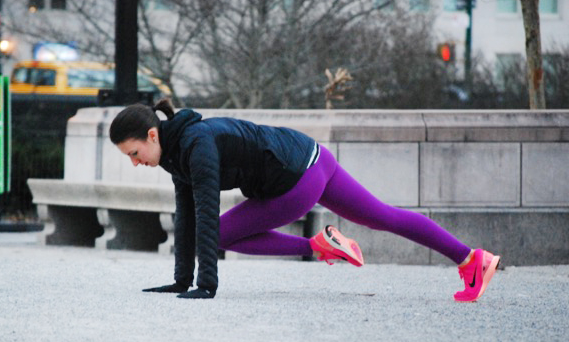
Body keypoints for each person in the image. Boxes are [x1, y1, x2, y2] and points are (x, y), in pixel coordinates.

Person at [109, 99, 500, 301]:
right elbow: (186, 215)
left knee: (222, 233)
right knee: (383, 215)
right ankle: (471, 258)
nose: (134, 161)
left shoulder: (197, 146)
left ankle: (318, 246)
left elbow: (206, 216)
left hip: (294, 181)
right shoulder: (176, 152)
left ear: (152, 135)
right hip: (314, 157)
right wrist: (181, 281)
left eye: (133, 152)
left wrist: (204, 285)